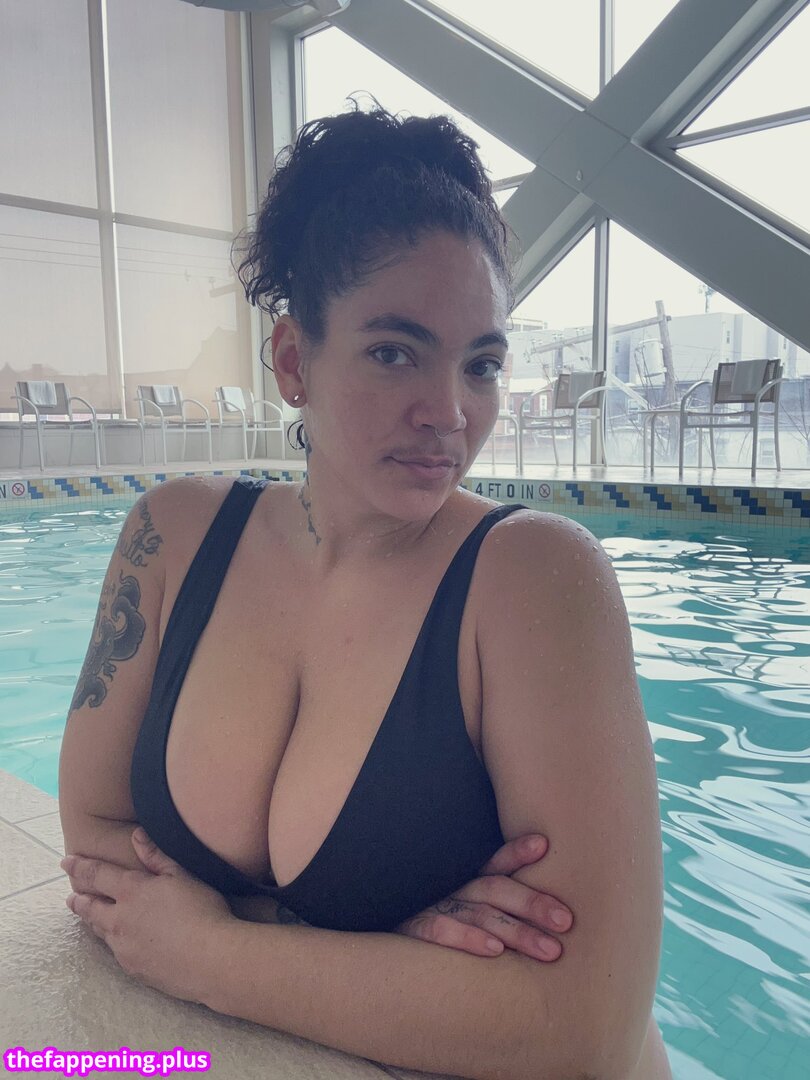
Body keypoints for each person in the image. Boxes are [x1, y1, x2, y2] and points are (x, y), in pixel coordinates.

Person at [57, 102, 671, 1080]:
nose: (450, 412)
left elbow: (583, 1031)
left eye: (482, 364)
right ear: (293, 360)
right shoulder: (171, 538)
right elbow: (93, 840)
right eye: (394, 351)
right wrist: (382, 960)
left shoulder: (537, 581)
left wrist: (216, 952)